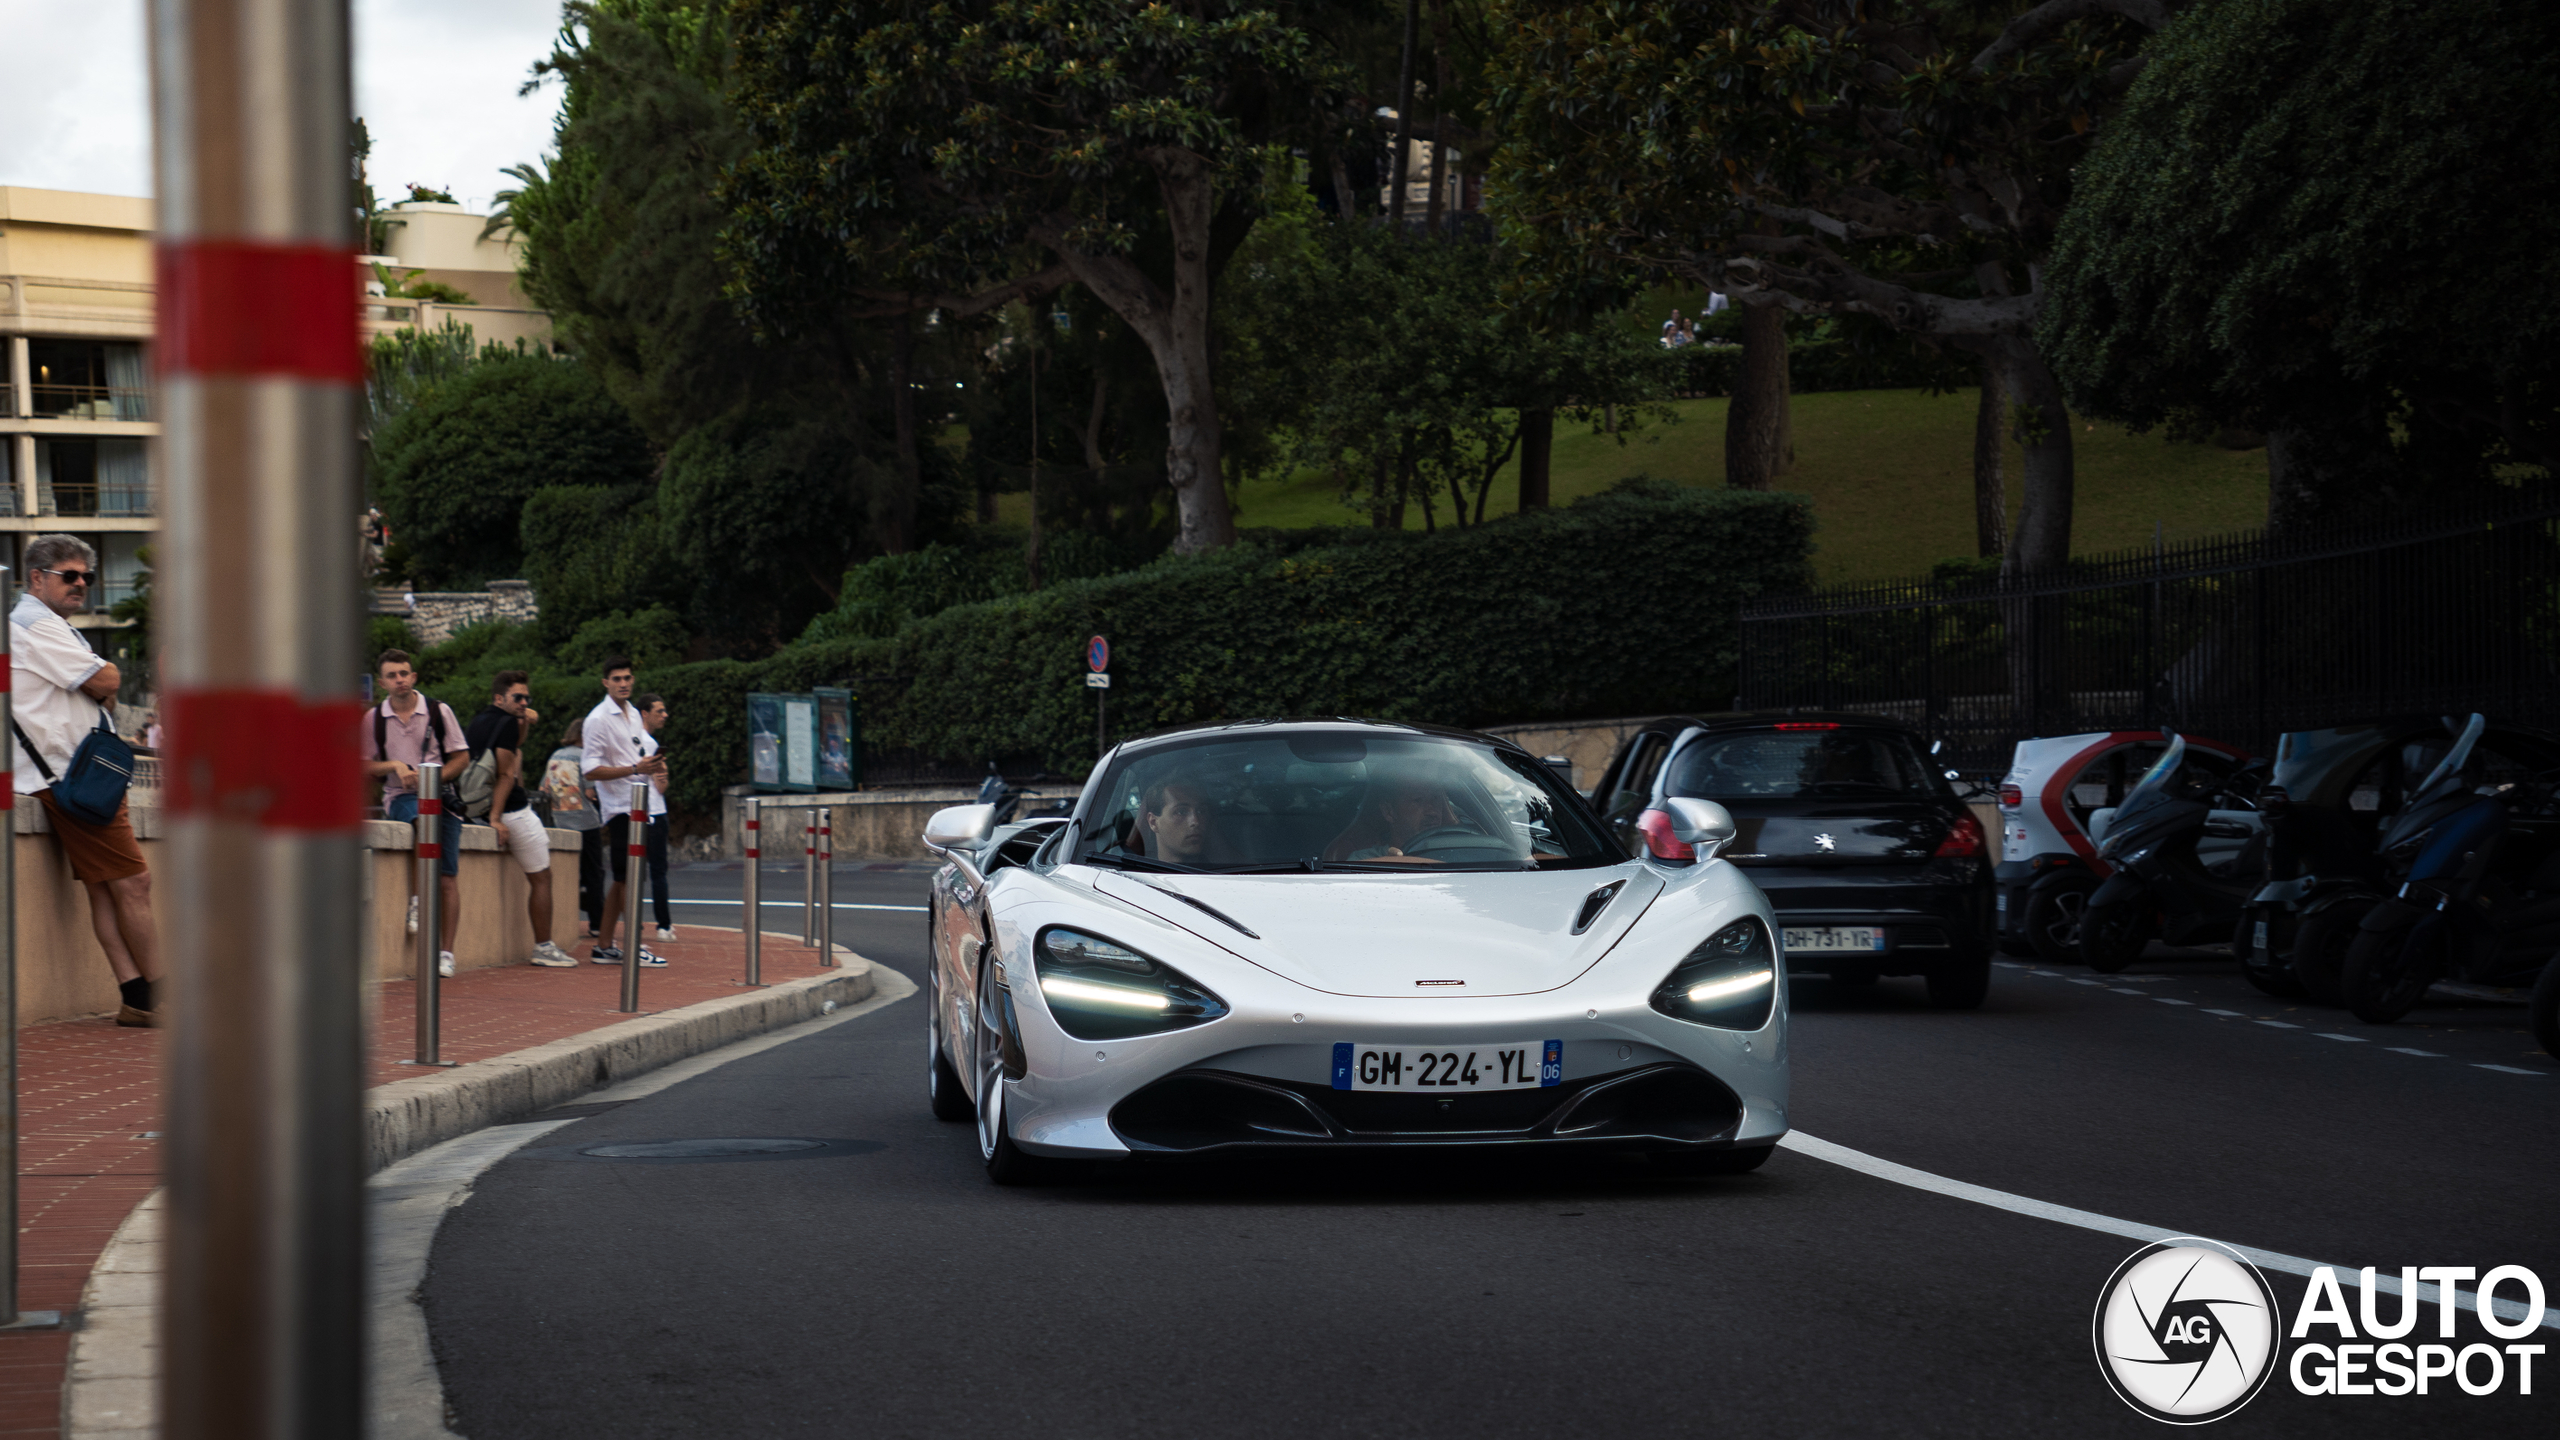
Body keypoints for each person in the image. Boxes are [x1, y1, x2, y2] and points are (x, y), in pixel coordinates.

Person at [12, 535, 164, 1026]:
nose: (81, 585)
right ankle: (163, 996)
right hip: (71, 776)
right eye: (69, 575)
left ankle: (137, 997)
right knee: (136, 882)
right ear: (37, 577)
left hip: (69, 773)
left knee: (106, 888)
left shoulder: (49, 626)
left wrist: (102, 681)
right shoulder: (34, 624)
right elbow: (106, 684)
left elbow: (102, 690)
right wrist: (105, 675)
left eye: (87, 577)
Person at [364, 649, 468, 976]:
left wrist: (434, 776)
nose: (400, 680)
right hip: (401, 796)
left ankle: (446, 953)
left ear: (414, 677)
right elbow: (365, 763)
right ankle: (418, 899)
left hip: (441, 795)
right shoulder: (374, 719)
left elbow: (461, 757)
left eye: (404, 673)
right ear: (382, 682)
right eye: (393, 675)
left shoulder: (438, 711)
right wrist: (395, 765)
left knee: (449, 877)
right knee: (421, 822)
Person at [467, 671, 576, 968]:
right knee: (542, 877)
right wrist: (496, 818)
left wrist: (523, 722)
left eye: (527, 698)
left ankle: (544, 946)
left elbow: (513, 749)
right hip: (512, 811)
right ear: (499, 698)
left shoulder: (480, 721)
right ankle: (544, 946)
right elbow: (506, 774)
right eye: (518, 698)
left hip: (473, 805)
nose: (524, 703)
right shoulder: (504, 724)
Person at [579, 657, 667, 965]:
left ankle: (604, 945)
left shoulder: (631, 714)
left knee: (621, 879)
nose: (624, 683)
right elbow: (589, 769)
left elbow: (641, 752)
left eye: (627, 677)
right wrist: (634, 768)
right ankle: (634, 946)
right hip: (620, 808)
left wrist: (652, 763)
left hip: (641, 805)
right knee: (629, 878)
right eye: (616, 678)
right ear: (605, 682)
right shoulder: (598, 719)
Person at [540, 717, 607, 936]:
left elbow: (544, 788)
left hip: (560, 822)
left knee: (567, 876)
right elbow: (590, 792)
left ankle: (562, 922)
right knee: (594, 874)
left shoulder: (555, 756)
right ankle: (597, 924)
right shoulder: (585, 758)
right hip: (585, 822)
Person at [1347, 770, 1473, 862]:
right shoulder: (1365, 860)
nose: (1432, 812)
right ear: (1388, 812)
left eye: (1435, 799)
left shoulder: (1461, 851)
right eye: (1418, 801)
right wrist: (1389, 867)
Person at [636, 694, 677, 941]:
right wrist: (664, 772)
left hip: (632, 813)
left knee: (631, 872)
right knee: (658, 872)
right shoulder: (651, 744)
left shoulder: (625, 740)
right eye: (659, 711)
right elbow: (661, 786)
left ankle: (634, 921)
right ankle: (664, 926)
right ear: (644, 713)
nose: (664, 715)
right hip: (655, 811)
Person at [1137, 776, 1214, 866]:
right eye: (1181, 812)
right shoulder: (1134, 872)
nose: (1195, 822)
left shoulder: (1224, 870)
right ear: (1153, 822)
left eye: (1201, 811)